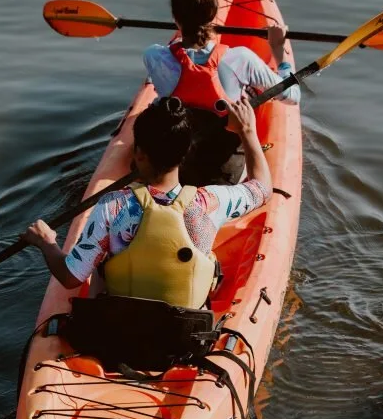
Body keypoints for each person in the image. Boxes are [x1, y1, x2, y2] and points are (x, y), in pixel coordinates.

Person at [22, 96, 270, 309]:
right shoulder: (209, 202)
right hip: (182, 338)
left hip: (120, 327)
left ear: (139, 154)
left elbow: (69, 278)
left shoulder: (113, 206)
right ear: (185, 154)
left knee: (103, 262)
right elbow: (262, 188)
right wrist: (247, 131)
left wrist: (47, 243)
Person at [143, 0, 299, 186]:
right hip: (225, 177)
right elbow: (292, 96)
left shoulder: (154, 56)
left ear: (175, 18)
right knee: (250, 96)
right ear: (214, 16)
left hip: (177, 171)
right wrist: (279, 53)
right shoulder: (241, 58)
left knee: (160, 105)